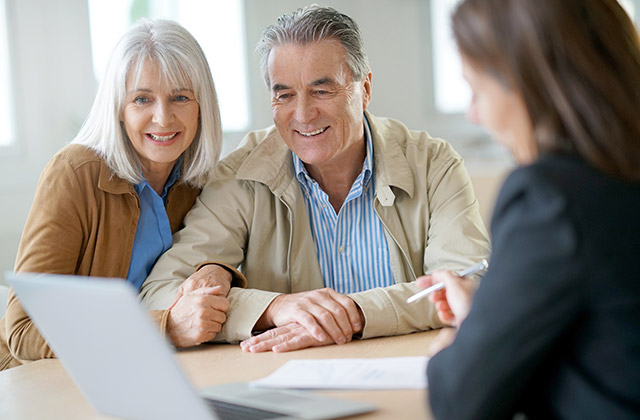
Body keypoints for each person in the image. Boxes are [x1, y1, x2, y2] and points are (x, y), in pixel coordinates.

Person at [140, 5, 489, 353]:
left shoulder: (434, 164)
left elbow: (467, 284)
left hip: (413, 371)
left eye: (322, 90)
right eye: (284, 94)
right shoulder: (239, 175)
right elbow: (159, 294)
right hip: (289, 378)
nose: (303, 114)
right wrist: (272, 309)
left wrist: (355, 314)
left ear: (364, 89)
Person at [417, 0, 640, 418]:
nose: (473, 113)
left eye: (477, 89)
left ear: (526, 83)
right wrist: (493, 311)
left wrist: (460, 350)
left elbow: (461, 400)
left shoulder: (548, 197)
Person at [0, 19, 244, 371]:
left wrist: (217, 271)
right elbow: (23, 331)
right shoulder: (75, 173)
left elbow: (211, 256)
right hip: (47, 379)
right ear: (119, 107)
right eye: (142, 99)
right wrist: (166, 328)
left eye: (180, 97)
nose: (162, 118)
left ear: (202, 105)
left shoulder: (198, 181)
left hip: (145, 370)